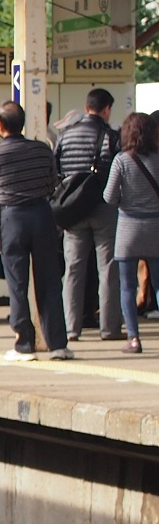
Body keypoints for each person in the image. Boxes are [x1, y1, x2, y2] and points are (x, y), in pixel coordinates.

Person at [0, 101, 71, 361]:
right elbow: (53, 182)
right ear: (23, 123)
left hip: (12, 219)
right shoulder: (42, 150)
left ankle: (24, 344)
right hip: (42, 216)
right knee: (49, 281)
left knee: (17, 284)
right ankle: (58, 345)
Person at [56, 88, 120, 341]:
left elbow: (56, 168)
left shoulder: (66, 135)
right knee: (108, 269)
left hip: (73, 210)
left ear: (86, 108)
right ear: (106, 109)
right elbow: (117, 171)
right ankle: (109, 329)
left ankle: (71, 329)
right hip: (104, 207)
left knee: (73, 269)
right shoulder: (111, 136)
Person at [103, 110, 159, 354]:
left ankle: (134, 339)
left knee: (127, 287)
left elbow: (109, 196)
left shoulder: (121, 161)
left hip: (128, 230)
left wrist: (125, 203)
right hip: (156, 227)